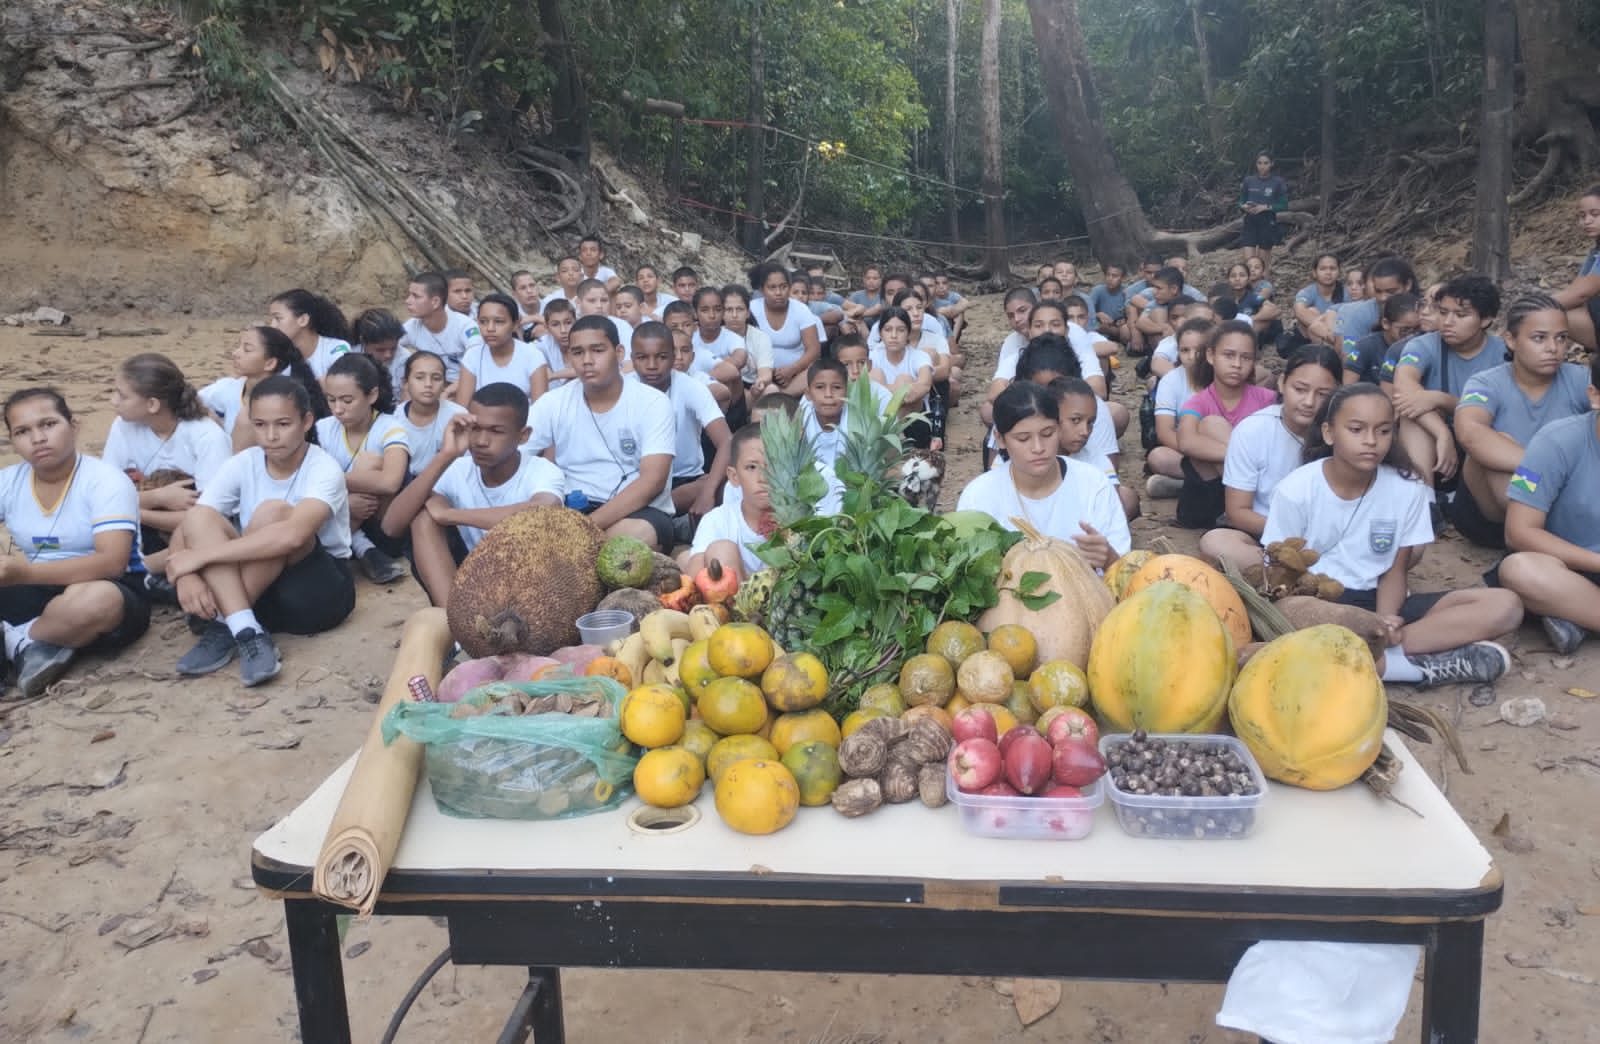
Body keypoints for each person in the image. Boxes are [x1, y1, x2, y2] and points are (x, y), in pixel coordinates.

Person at [1263, 384, 1521, 686]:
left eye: (1384, 431)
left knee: (1506, 605)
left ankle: (1376, 658)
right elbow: (1278, 574)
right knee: (1297, 623)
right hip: (1317, 604)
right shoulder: (1296, 489)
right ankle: (1411, 668)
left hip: (1376, 601)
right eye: (1356, 429)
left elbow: (1395, 571)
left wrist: (1386, 619)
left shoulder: (1407, 489)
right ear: (1329, 433)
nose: (1371, 441)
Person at [167, 377, 356, 687]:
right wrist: (184, 574)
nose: (270, 436)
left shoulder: (324, 468)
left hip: (315, 590)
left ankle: (221, 623)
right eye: (260, 425)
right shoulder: (243, 463)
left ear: (306, 421)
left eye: (283, 424)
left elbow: (293, 536)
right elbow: (192, 523)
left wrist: (198, 558)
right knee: (202, 516)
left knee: (274, 512)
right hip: (256, 590)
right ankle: (244, 629)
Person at [0, 389, 151, 699]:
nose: (38, 438)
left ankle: (20, 639)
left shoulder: (105, 480)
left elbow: (112, 563)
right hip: (34, 586)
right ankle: (42, 645)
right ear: (12, 440)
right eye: (23, 431)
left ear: (74, 425)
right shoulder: (8, 481)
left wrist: (23, 574)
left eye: (48, 424)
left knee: (94, 602)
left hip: (110, 587)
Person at [381, 383, 563, 607]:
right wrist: (446, 456)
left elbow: (541, 512)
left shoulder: (542, 470)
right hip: (474, 582)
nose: (481, 441)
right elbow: (391, 526)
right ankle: (455, 625)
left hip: (532, 583)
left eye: (496, 431)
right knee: (422, 520)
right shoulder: (457, 468)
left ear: (523, 436)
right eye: (475, 428)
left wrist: (451, 515)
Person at [1450, 293, 1590, 548]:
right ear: (1511, 340)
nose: (1553, 348)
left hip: (1559, 502)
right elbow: (1470, 432)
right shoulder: (1487, 382)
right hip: (1490, 512)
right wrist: (1544, 466)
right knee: (1495, 444)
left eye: (1561, 338)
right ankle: (1535, 537)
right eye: (1539, 338)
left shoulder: (1580, 379)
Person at [524, 315, 677, 548]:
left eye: (597, 350)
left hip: (638, 512)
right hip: (570, 509)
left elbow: (652, 481)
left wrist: (586, 527)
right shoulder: (553, 402)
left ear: (618, 353)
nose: (587, 360)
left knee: (631, 537)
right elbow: (516, 454)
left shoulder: (652, 402)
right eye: (577, 353)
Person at [1492, 351, 1600, 654]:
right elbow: (1519, 532)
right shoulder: (1555, 441)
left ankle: (1576, 618)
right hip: (1571, 566)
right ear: (1595, 396)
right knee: (1519, 570)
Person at [1199, 346, 1343, 571]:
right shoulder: (1253, 430)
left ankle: (1300, 573)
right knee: (1215, 542)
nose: (1309, 401)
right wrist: (1296, 538)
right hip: (1270, 536)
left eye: (1323, 394)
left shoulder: (1345, 433)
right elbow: (1238, 512)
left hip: (1334, 537)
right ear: (1282, 383)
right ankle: (1292, 571)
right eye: (1300, 389)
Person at [957, 382, 1129, 568]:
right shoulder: (979, 496)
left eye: (1048, 434)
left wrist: (1110, 559)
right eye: (1023, 438)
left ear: (1059, 429)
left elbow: (1126, 575)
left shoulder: (1094, 484)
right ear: (1000, 439)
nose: (1038, 448)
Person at [103, 353, 232, 578]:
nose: (113, 401)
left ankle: (141, 571)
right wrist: (157, 498)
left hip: (195, 535)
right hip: (143, 526)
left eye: (122, 396)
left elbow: (209, 519)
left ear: (152, 404)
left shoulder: (207, 437)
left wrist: (131, 511)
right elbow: (103, 497)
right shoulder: (123, 426)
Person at [1391, 276, 1506, 490]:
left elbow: (1504, 412)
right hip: (1435, 441)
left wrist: (1440, 399)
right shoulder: (1422, 345)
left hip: (1484, 439)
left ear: (1486, 319)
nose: (1447, 322)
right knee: (1410, 413)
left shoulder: (1504, 354)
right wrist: (1441, 433)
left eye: (1461, 315)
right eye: (1443, 312)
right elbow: (1403, 388)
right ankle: (1423, 500)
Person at [314, 354, 411, 584]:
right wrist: (345, 503)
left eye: (347, 400)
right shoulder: (322, 428)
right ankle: (363, 548)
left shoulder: (390, 427)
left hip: (381, 524)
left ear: (372, 395)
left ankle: (351, 551)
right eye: (331, 400)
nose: (338, 409)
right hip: (337, 514)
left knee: (371, 463)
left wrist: (338, 484)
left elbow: (390, 482)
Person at [1175, 320, 1276, 528]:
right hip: (1208, 499)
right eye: (1229, 355)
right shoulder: (1198, 402)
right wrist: (1245, 458)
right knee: (1212, 424)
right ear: (1211, 356)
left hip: (1258, 488)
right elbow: (1186, 442)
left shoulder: (1268, 399)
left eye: (1246, 358)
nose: (1237, 364)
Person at [629, 322, 731, 522]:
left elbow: (727, 440)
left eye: (662, 357)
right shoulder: (623, 388)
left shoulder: (692, 387)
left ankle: (654, 515)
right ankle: (665, 520)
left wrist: (707, 492)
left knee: (725, 486)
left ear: (673, 358)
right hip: (636, 482)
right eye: (642, 357)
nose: (652, 365)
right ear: (632, 359)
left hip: (684, 481)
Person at [200, 327, 332, 457]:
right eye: (238, 347)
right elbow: (191, 401)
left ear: (270, 363)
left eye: (247, 349)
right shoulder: (229, 387)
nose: (235, 353)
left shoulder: (286, 400)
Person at [682, 424, 776, 580]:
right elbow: (694, 576)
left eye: (772, 465)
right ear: (734, 476)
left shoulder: (802, 519)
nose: (763, 478)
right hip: (732, 600)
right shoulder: (718, 520)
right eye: (751, 467)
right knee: (721, 550)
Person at [1049, 376, 1138, 521]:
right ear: (1052, 417)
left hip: (1085, 531)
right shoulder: (1037, 456)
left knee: (1127, 499)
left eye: (1091, 422)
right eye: (1075, 420)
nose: (1085, 431)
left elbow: (1113, 509)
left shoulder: (1096, 458)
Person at [1145, 318, 1215, 500]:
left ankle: (1187, 485)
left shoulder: (1220, 379)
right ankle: (1199, 482)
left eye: (1198, 351)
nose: (1191, 356)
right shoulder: (1171, 381)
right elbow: (1165, 431)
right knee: (1158, 457)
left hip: (1220, 450)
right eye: (1185, 350)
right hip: (1185, 450)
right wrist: (1194, 452)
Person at [454, 292, 548, 407]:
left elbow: (540, 411)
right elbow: (461, 409)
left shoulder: (533, 356)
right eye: (483, 322)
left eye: (498, 322)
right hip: (480, 422)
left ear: (515, 324)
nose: (490, 328)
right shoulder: (472, 356)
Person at [399, 271, 485, 386]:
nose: (408, 301)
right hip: (432, 386)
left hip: (467, 385)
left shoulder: (465, 326)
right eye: (409, 295)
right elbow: (389, 343)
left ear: (435, 302)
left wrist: (452, 389)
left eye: (416, 296)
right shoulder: (412, 326)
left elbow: (479, 363)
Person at [750, 262, 823, 395]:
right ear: (762, 289)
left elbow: (814, 350)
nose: (778, 293)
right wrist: (765, 371)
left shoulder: (801, 310)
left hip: (797, 375)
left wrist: (793, 369)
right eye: (772, 287)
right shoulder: (752, 309)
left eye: (783, 287)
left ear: (789, 287)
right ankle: (775, 396)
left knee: (818, 370)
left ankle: (779, 396)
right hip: (759, 374)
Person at [869, 306, 936, 449]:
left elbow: (924, 385)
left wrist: (890, 391)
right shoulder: (873, 356)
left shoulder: (919, 356)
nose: (894, 335)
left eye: (900, 330)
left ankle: (892, 435)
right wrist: (899, 392)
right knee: (875, 375)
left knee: (904, 380)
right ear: (880, 333)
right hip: (878, 420)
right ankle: (889, 436)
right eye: (888, 330)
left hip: (914, 422)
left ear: (908, 333)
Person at [394, 350, 468, 479]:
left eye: (436, 378)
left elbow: (465, 465)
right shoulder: (393, 418)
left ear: (444, 384)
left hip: (446, 483)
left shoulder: (458, 416)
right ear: (405, 383)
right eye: (419, 377)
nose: (428, 384)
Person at [268, 289, 351, 379]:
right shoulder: (278, 358)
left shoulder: (336, 349)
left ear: (303, 320)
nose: (272, 325)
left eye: (278, 318)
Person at [1555, 184, 1600, 351]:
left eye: (1595, 214)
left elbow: (1581, 294)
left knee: (1544, 316)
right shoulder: (1595, 251)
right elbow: (1575, 289)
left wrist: (1532, 306)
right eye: (1582, 215)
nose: (1587, 220)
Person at [1343, 293, 1419, 386]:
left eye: (1417, 329)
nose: (1412, 334)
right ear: (1386, 323)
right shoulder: (1364, 346)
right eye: (1405, 329)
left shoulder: (1421, 347)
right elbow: (1347, 387)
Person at [690, 286, 748, 406]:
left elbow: (739, 359)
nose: (712, 315)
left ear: (723, 312)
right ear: (695, 313)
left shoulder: (733, 338)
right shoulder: (690, 337)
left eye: (717, 309)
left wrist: (703, 379)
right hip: (695, 395)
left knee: (730, 376)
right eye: (705, 310)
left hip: (729, 400)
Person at [721, 284, 774, 401]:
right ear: (721, 313)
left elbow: (765, 373)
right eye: (729, 310)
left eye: (739, 309)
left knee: (771, 390)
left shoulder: (760, 337)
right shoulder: (715, 336)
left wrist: (760, 383)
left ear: (748, 313)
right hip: (728, 389)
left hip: (753, 388)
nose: (734, 315)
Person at [1239, 152, 1288, 271]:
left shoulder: (1278, 182)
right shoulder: (1248, 180)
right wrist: (1244, 207)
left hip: (1267, 222)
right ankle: (1248, 288)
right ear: (1256, 164)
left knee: (1262, 266)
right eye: (1259, 163)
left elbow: (1284, 205)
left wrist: (1265, 207)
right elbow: (1240, 201)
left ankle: (1266, 288)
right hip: (1250, 221)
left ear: (1272, 164)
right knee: (1248, 264)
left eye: (1265, 163)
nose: (1262, 166)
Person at [800, 357, 850, 467]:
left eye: (836, 387)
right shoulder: (802, 420)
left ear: (847, 392)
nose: (828, 394)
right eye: (820, 387)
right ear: (808, 394)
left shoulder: (854, 420)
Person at [1290, 253, 1346, 350]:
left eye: (1332, 268)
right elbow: (1299, 310)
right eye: (1323, 269)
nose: (1328, 272)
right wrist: (1325, 329)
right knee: (1312, 311)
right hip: (1315, 336)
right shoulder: (1308, 292)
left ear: (1339, 272)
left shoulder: (1346, 292)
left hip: (1342, 335)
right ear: (1314, 273)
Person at [351, 308, 409, 395]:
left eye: (393, 348)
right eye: (380, 350)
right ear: (363, 341)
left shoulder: (405, 360)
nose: (388, 355)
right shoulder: (350, 355)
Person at [535, 298, 578, 386]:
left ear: (576, 322)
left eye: (568, 323)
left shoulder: (586, 338)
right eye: (555, 325)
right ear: (547, 327)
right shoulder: (541, 346)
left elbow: (586, 369)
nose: (563, 330)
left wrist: (553, 376)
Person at [1089, 263, 1129, 342]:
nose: (1110, 279)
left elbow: (1129, 314)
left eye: (1114, 276)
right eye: (1108, 275)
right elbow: (1086, 310)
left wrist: (1124, 320)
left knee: (1125, 330)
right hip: (1100, 325)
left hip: (1117, 327)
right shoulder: (1098, 291)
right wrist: (1098, 314)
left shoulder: (1126, 292)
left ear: (1123, 278)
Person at [931, 273, 970, 344]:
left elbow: (965, 303)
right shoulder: (932, 298)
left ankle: (953, 341)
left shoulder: (952, 296)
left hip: (952, 324)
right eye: (937, 283)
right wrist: (940, 312)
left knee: (960, 314)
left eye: (944, 283)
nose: (941, 286)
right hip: (938, 324)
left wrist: (951, 310)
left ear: (948, 285)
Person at [511, 269, 544, 336]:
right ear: (514, 294)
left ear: (538, 287)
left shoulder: (551, 307)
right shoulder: (512, 314)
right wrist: (536, 318)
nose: (529, 291)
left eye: (532, 285)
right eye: (523, 288)